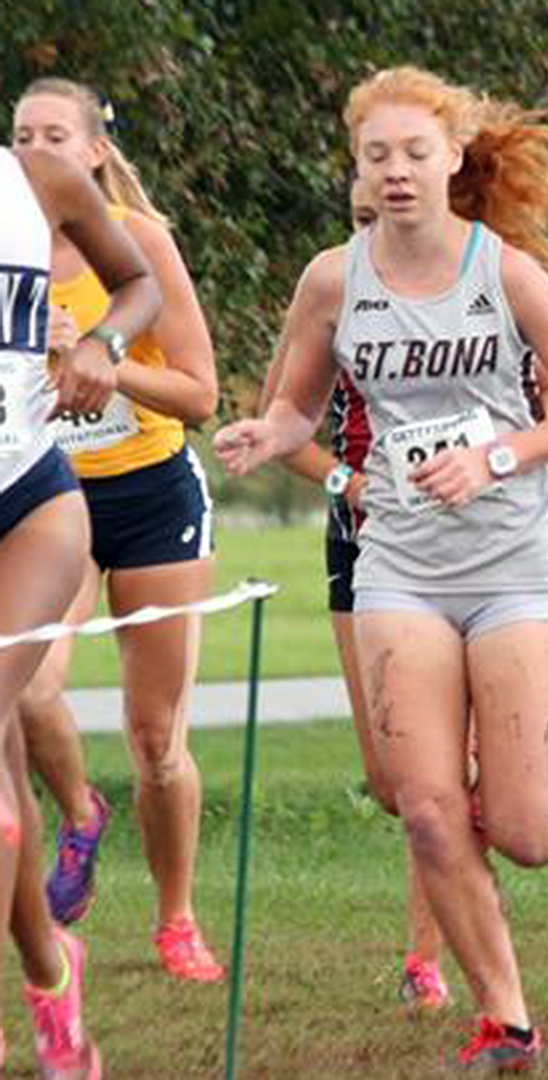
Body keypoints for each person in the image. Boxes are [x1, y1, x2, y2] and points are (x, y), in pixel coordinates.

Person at [213, 66, 548, 1070]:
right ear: (358, 167)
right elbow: (298, 402)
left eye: (416, 153)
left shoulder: (506, 275)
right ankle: (509, 1018)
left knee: (525, 824)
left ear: (454, 158)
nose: (398, 171)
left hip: (513, 562)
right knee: (425, 807)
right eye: (379, 155)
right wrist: (266, 435)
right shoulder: (333, 279)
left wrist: (496, 456)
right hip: (399, 564)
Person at [10, 79, 224, 981]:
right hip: (41, 497)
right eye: (22, 134)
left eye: (54, 136)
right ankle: (78, 812)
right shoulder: (10, 236)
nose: (35, 150)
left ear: (94, 152)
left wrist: (101, 360)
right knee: (25, 685)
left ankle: (176, 918)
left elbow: (203, 395)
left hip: (148, 497)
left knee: (155, 738)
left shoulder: (139, 241)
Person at [257, 179, 451, 1008]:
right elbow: (281, 424)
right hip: (360, 539)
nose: (378, 230)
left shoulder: (468, 285)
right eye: (362, 216)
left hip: (463, 540)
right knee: (387, 775)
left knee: (432, 773)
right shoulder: (333, 286)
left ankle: (427, 958)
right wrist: (348, 480)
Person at [3, 131, 161, 1080]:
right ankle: (50, 971)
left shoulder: (39, 179)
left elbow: (135, 277)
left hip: (28, 499)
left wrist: (102, 340)